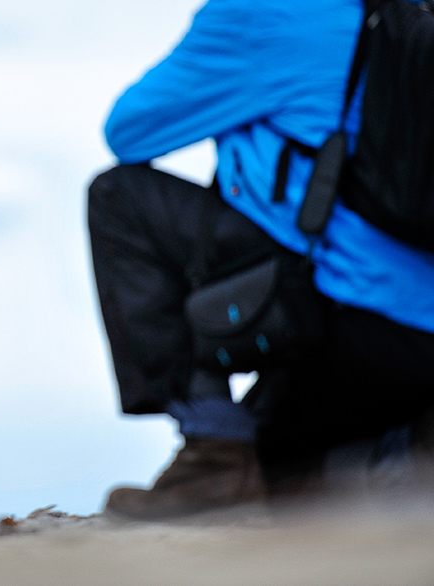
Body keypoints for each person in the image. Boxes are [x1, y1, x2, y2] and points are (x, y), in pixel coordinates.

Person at [88, 0, 434, 521]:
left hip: (348, 321)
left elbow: (129, 130)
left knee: (118, 198)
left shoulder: (258, 12)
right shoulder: (411, 14)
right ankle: (405, 450)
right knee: (279, 467)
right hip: (417, 334)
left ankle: (213, 449)